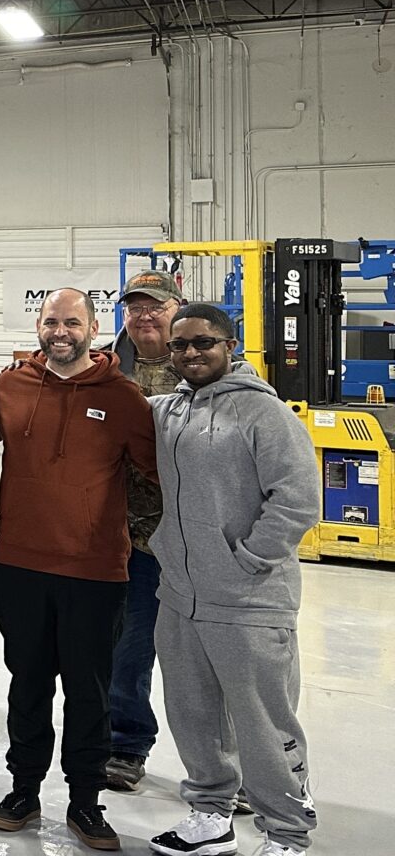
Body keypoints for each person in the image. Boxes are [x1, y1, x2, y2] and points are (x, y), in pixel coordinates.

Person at [0, 289, 158, 851]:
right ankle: (23, 791)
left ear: (93, 327)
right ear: (38, 325)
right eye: (51, 321)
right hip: (19, 564)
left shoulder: (125, 397)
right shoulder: (8, 386)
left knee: (90, 692)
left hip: (95, 571)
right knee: (27, 685)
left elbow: (163, 474)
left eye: (72, 322)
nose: (61, 331)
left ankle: (85, 801)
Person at [146, 305, 318, 856]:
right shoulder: (168, 411)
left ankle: (287, 833)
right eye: (180, 346)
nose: (190, 354)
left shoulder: (262, 415)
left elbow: (297, 500)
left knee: (263, 724)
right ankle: (210, 816)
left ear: (231, 344)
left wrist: (247, 558)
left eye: (203, 343)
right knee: (193, 716)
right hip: (180, 597)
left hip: (248, 598)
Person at [105, 270, 180, 792]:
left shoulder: (205, 365)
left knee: (211, 659)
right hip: (129, 542)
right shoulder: (106, 372)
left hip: (196, 541)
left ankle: (232, 768)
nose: (145, 315)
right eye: (135, 307)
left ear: (177, 309)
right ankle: (126, 745)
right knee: (128, 651)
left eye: (156, 306)